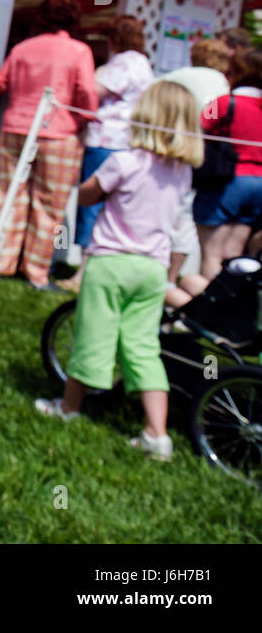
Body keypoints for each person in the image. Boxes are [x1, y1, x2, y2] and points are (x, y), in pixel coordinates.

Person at [35, 81, 204, 462]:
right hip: (152, 270)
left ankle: (69, 407)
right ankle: (157, 434)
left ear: (145, 117)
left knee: (94, 336)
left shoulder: (124, 162)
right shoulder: (182, 174)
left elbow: (87, 194)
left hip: (111, 264)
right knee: (144, 347)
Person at [0, 0, 98, 291]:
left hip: (16, 127)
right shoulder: (79, 50)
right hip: (60, 132)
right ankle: (36, 272)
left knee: (10, 197)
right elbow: (86, 92)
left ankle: (1, 263)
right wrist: (87, 117)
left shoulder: (23, 48)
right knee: (49, 206)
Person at [74, 15, 154, 255]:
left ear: (114, 39)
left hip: (106, 140)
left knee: (91, 202)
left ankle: (84, 266)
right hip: (127, 142)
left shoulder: (122, 63)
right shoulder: (144, 64)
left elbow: (93, 92)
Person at [156, 37, 231, 285]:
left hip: (167, 148)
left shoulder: (178, 75)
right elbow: (214, 116)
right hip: (199, 153)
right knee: (185, 216)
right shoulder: (221, 83)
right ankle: (170, 276)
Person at [197, 47, 262, 280]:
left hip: (228, 181)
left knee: (211, 255)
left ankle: (210, 313)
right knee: (234, 255)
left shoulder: (223, 102)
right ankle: (232, 308)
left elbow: (199, 129)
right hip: (259, 184)